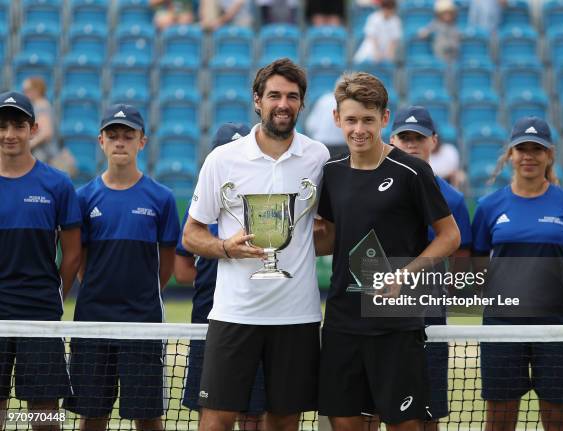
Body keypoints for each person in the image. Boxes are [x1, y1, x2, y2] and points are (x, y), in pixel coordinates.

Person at [182, 58, 330, 431]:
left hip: (298, 315)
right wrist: (225, 247)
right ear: (257, 101)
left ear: (302, 103)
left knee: (283, 420)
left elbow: (327, 233)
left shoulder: (319, 157)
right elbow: (191, 234)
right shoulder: (222, 159)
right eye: (275, 95)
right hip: (235, 314)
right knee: (216, 419)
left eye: (292, 97)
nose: (283, 104)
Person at [314, 72, 460, 431]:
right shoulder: (330, 173)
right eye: (350, 120)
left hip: (397, 324)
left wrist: (404, 274)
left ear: (384, 118)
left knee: (404, 425)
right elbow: (331, 238)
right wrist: (277, 244)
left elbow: (449, 236)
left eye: (367, 119)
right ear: (337, 120)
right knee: (345, 424)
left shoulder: (413, 172)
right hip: (342, 322)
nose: (359, 129)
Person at [64, 104, 180, 431]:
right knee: (92, 413)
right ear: (100, 141)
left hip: (143, 324)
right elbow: (80, 258)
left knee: (147, 417)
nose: (120, 142)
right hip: (92, 322)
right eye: (113, 135)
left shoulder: (162, 198)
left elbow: (167, 262)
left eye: (128, 136)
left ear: (142, 142)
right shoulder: (83, 197)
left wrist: (144, 296)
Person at [471, 116, 563, 431]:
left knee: (559, 422)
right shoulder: (488, 206)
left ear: (549, 154)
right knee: (499, 421)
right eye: (520, 148)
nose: (528, 156)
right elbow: (478, 257)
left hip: (556, 325)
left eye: (536, 149)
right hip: (501, 325)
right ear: (510, 155)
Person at [175, 123, 267, 431]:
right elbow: (182, 268)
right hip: (208, 321)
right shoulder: (201, 208)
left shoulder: (265, 208)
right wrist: (220, 271)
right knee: (211, 410)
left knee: (254, 413)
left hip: (257, 320)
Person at [0, 91, 82, 431]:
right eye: (3, 126)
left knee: (45, 412)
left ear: (33, 129)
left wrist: (54, 296)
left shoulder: (57, 184)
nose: (9, 134)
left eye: (18, 125)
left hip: (39, 312)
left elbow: (73, 252)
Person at [389, 106, 472, 431]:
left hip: (430, 313)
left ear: (433, 142)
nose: (412, 144)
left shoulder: (452, 199)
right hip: (382, 311)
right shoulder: (375, 189)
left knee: (429, 410)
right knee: (377, 407)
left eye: (419, 138)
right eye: (405, 138)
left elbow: (462, 255)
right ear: (392, 139)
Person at [21, 77, 58, 164]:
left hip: (45, 154)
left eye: (27, 90)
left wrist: (28, 145)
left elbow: (46, 133)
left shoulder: (41, 105)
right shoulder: (38, 105)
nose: (24, 93)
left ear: (36, 90)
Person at [353, 0, 401, 64]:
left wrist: (389, 54)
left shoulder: (396, 21)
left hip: (385, 52)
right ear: (383, 8)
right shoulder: (373, 18)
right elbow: (372, 37)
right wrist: (376, 52)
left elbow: (394, 41)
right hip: (370, 50)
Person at [305, 86, 346, 158]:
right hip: (342, 144)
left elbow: (310, 125)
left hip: (322, 143)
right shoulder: (348, 101)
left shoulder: (324, 99)